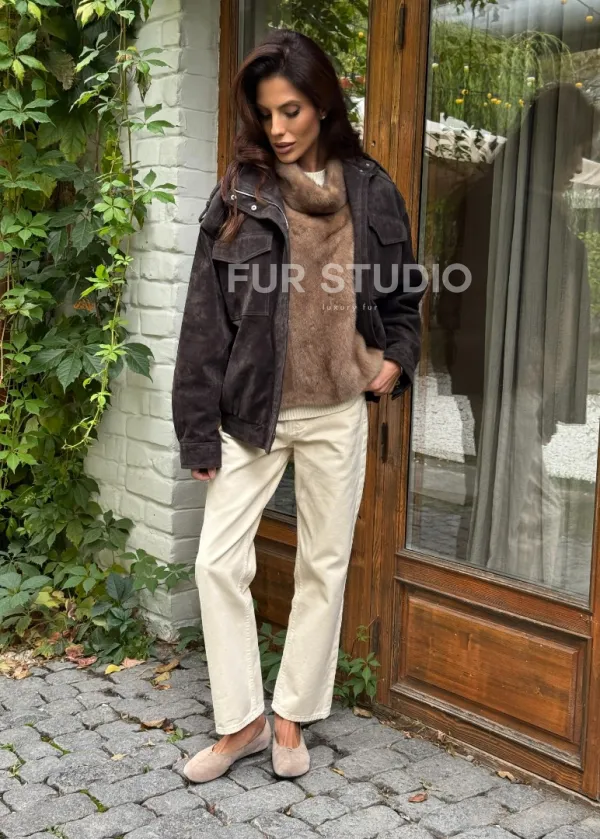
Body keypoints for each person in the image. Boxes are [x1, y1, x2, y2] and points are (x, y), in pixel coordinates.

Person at [171, 27, 425, 783]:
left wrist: (395, 359)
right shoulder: (241, 192)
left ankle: (291, 715)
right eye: (266, 113)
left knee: (324, 565)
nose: (278, 128)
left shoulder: (371, 188)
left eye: (292, 110)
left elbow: (403, 295)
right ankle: (241, 719)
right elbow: (204, 317)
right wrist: (197, 432)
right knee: (217, 564)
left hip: (338, 410)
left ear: (322, 104)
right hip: (253, 412)